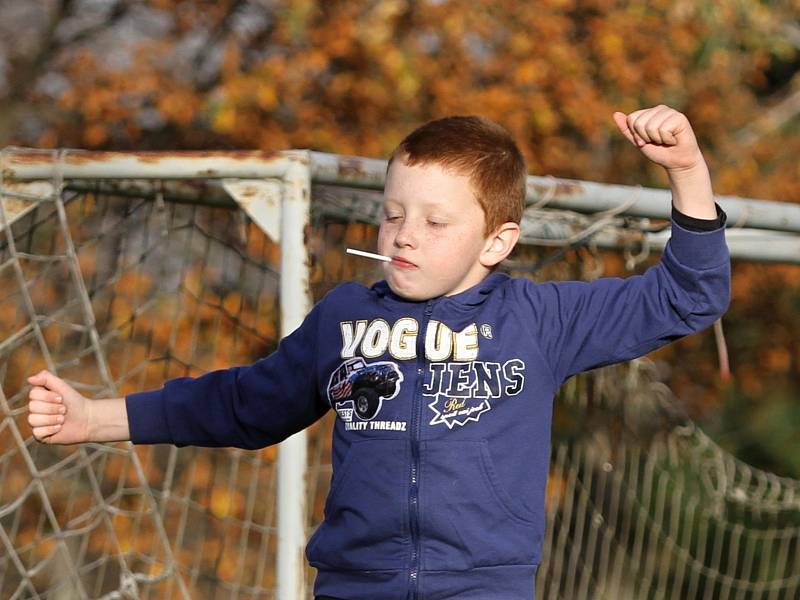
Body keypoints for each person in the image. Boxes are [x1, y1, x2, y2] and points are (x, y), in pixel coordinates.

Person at [27, 105, 730, 600]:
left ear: (497, 242)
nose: (404, 236)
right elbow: (246, 404)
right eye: (392, 214)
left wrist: (688, 170)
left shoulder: (538, 318)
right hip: (353, 586)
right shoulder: (346, 316)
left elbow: (686, 297)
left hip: (483, 591)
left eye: (433, 221)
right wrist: (96, 418)